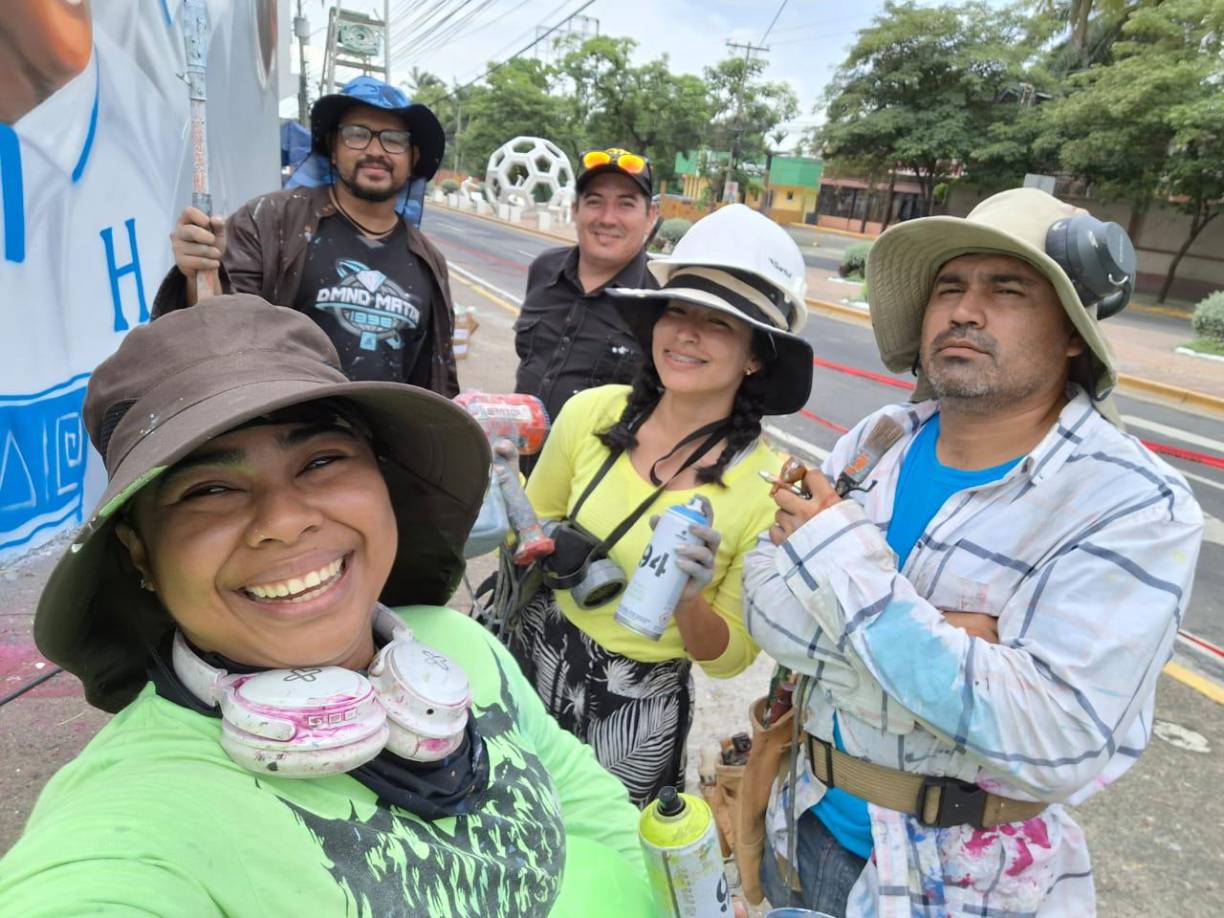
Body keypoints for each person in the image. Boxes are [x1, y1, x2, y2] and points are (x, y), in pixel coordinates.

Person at [0, 295, 654, 916]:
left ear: (382, 482)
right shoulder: (134, 816)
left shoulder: (458, 644)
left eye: (321, 461)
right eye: (212, 488)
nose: (283, 522)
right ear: (140, 554)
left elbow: (600, 815)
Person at [743, 188, 1204, 916]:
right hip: (801, 827)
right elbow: (762, 601)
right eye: (949, 287)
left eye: (1007, 289)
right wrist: (951, 644)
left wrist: (836, 558)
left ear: (1073, 333)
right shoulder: (880, 439)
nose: (965, 310)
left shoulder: (1132, 502)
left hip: (959, 884)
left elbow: (1054, 734)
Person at [502, 204, 814, 807]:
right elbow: (525, 532)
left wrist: (689, 599)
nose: (687, 334)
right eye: (677, 311)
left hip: (637, 709)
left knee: (607, 867)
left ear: (756, 355)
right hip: (536, 654)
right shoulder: (593, 413)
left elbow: (729, 661)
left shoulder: (770, 487)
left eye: (719, 323)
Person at [156, 76, 460, 395]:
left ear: (413, 158)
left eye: (394, 139)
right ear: (332, 147)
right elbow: (217, 329)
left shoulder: (428, 260)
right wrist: (198, 273)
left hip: (381, 440)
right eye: (357, 135)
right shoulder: (271, 222)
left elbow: (436, 375)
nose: (375, 150)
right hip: (283, 434)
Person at [513, 148, 660, 470]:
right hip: (519, 468)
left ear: (650, 216)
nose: (607, 218)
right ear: (575, 209)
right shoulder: (544, 269)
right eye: (594, 202)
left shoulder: (662, 299)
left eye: (626, 204)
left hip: (595, 488)